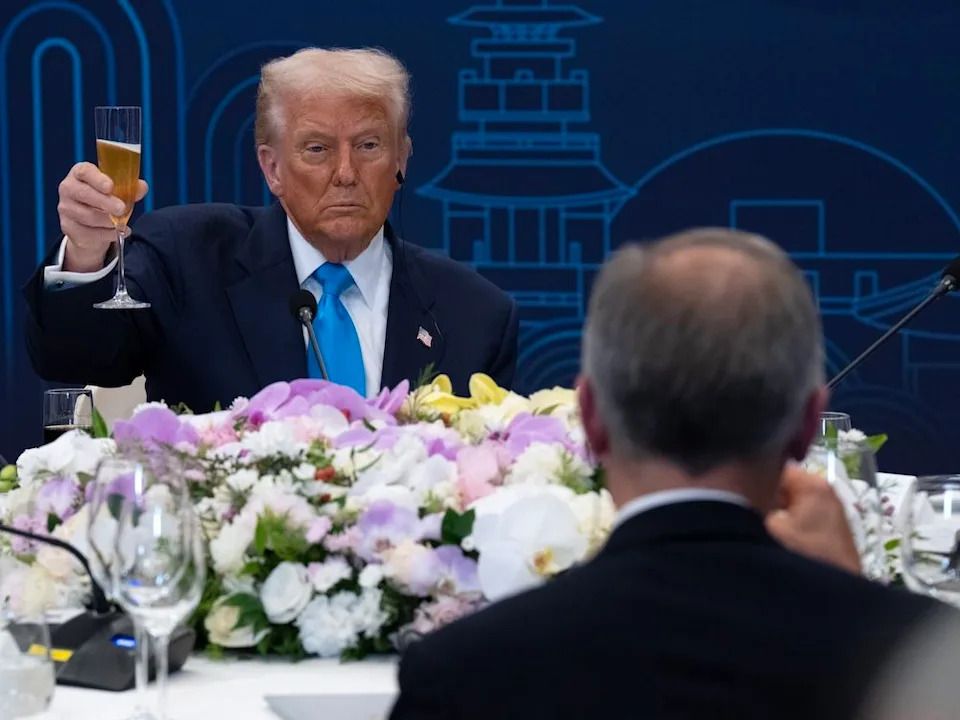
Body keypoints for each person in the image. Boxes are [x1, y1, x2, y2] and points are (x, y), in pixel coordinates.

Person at [390, 228, 941, 720]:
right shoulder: (924, 670)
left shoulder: (463, 676)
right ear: (806, 427)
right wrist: (863, 621)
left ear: (591, 419)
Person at [23, 48, 517, 412]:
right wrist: (86, 253)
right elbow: (73, 355)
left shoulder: (474, 315)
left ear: (401, 161)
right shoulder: (188, 257)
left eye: (368, 146)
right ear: (272, 167)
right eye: (317, 149)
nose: (345, 172)